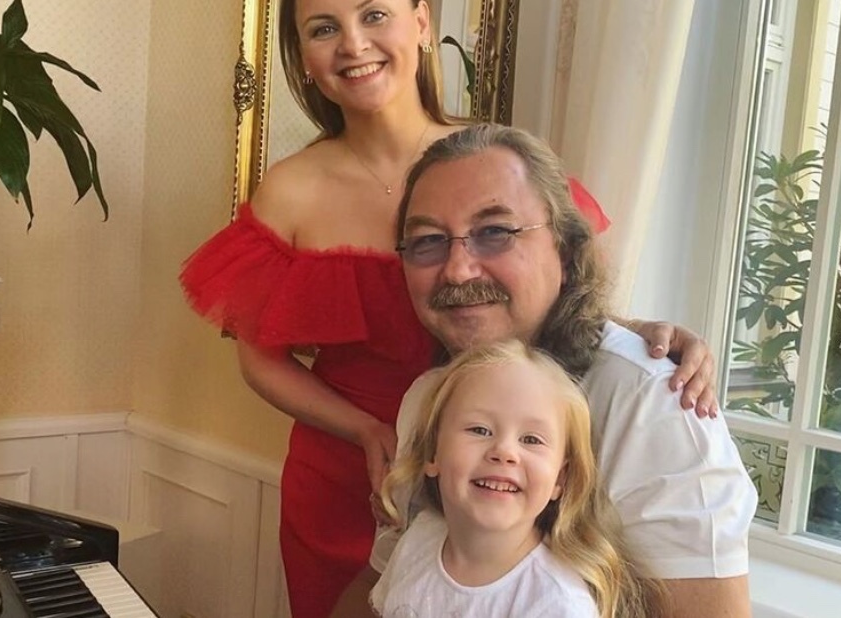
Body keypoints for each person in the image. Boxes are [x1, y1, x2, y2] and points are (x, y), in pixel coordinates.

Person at [180, 2, 718, 616]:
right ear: (303, 58)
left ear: (421, 23)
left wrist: (635, 332)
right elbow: (260, 360)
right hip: (346, 471)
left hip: (496, 459)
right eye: (323, 28)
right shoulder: (288, 189)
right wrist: (365, 430)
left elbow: (551, 279)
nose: (353, 44)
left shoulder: (490, 160)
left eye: (373, 14)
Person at [334, 124, 757, 618]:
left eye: (496, 232)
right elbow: (388, 579)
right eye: (428, 241)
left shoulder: (653, 401)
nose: (457, 270)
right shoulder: (428, 397)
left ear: (565, 248)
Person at [370, 340, 665, 618]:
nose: (504, 452)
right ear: (433, 453)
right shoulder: (418, 541)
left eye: (531, 439)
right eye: (480, 430)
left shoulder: (556, 604)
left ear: (560, 478)